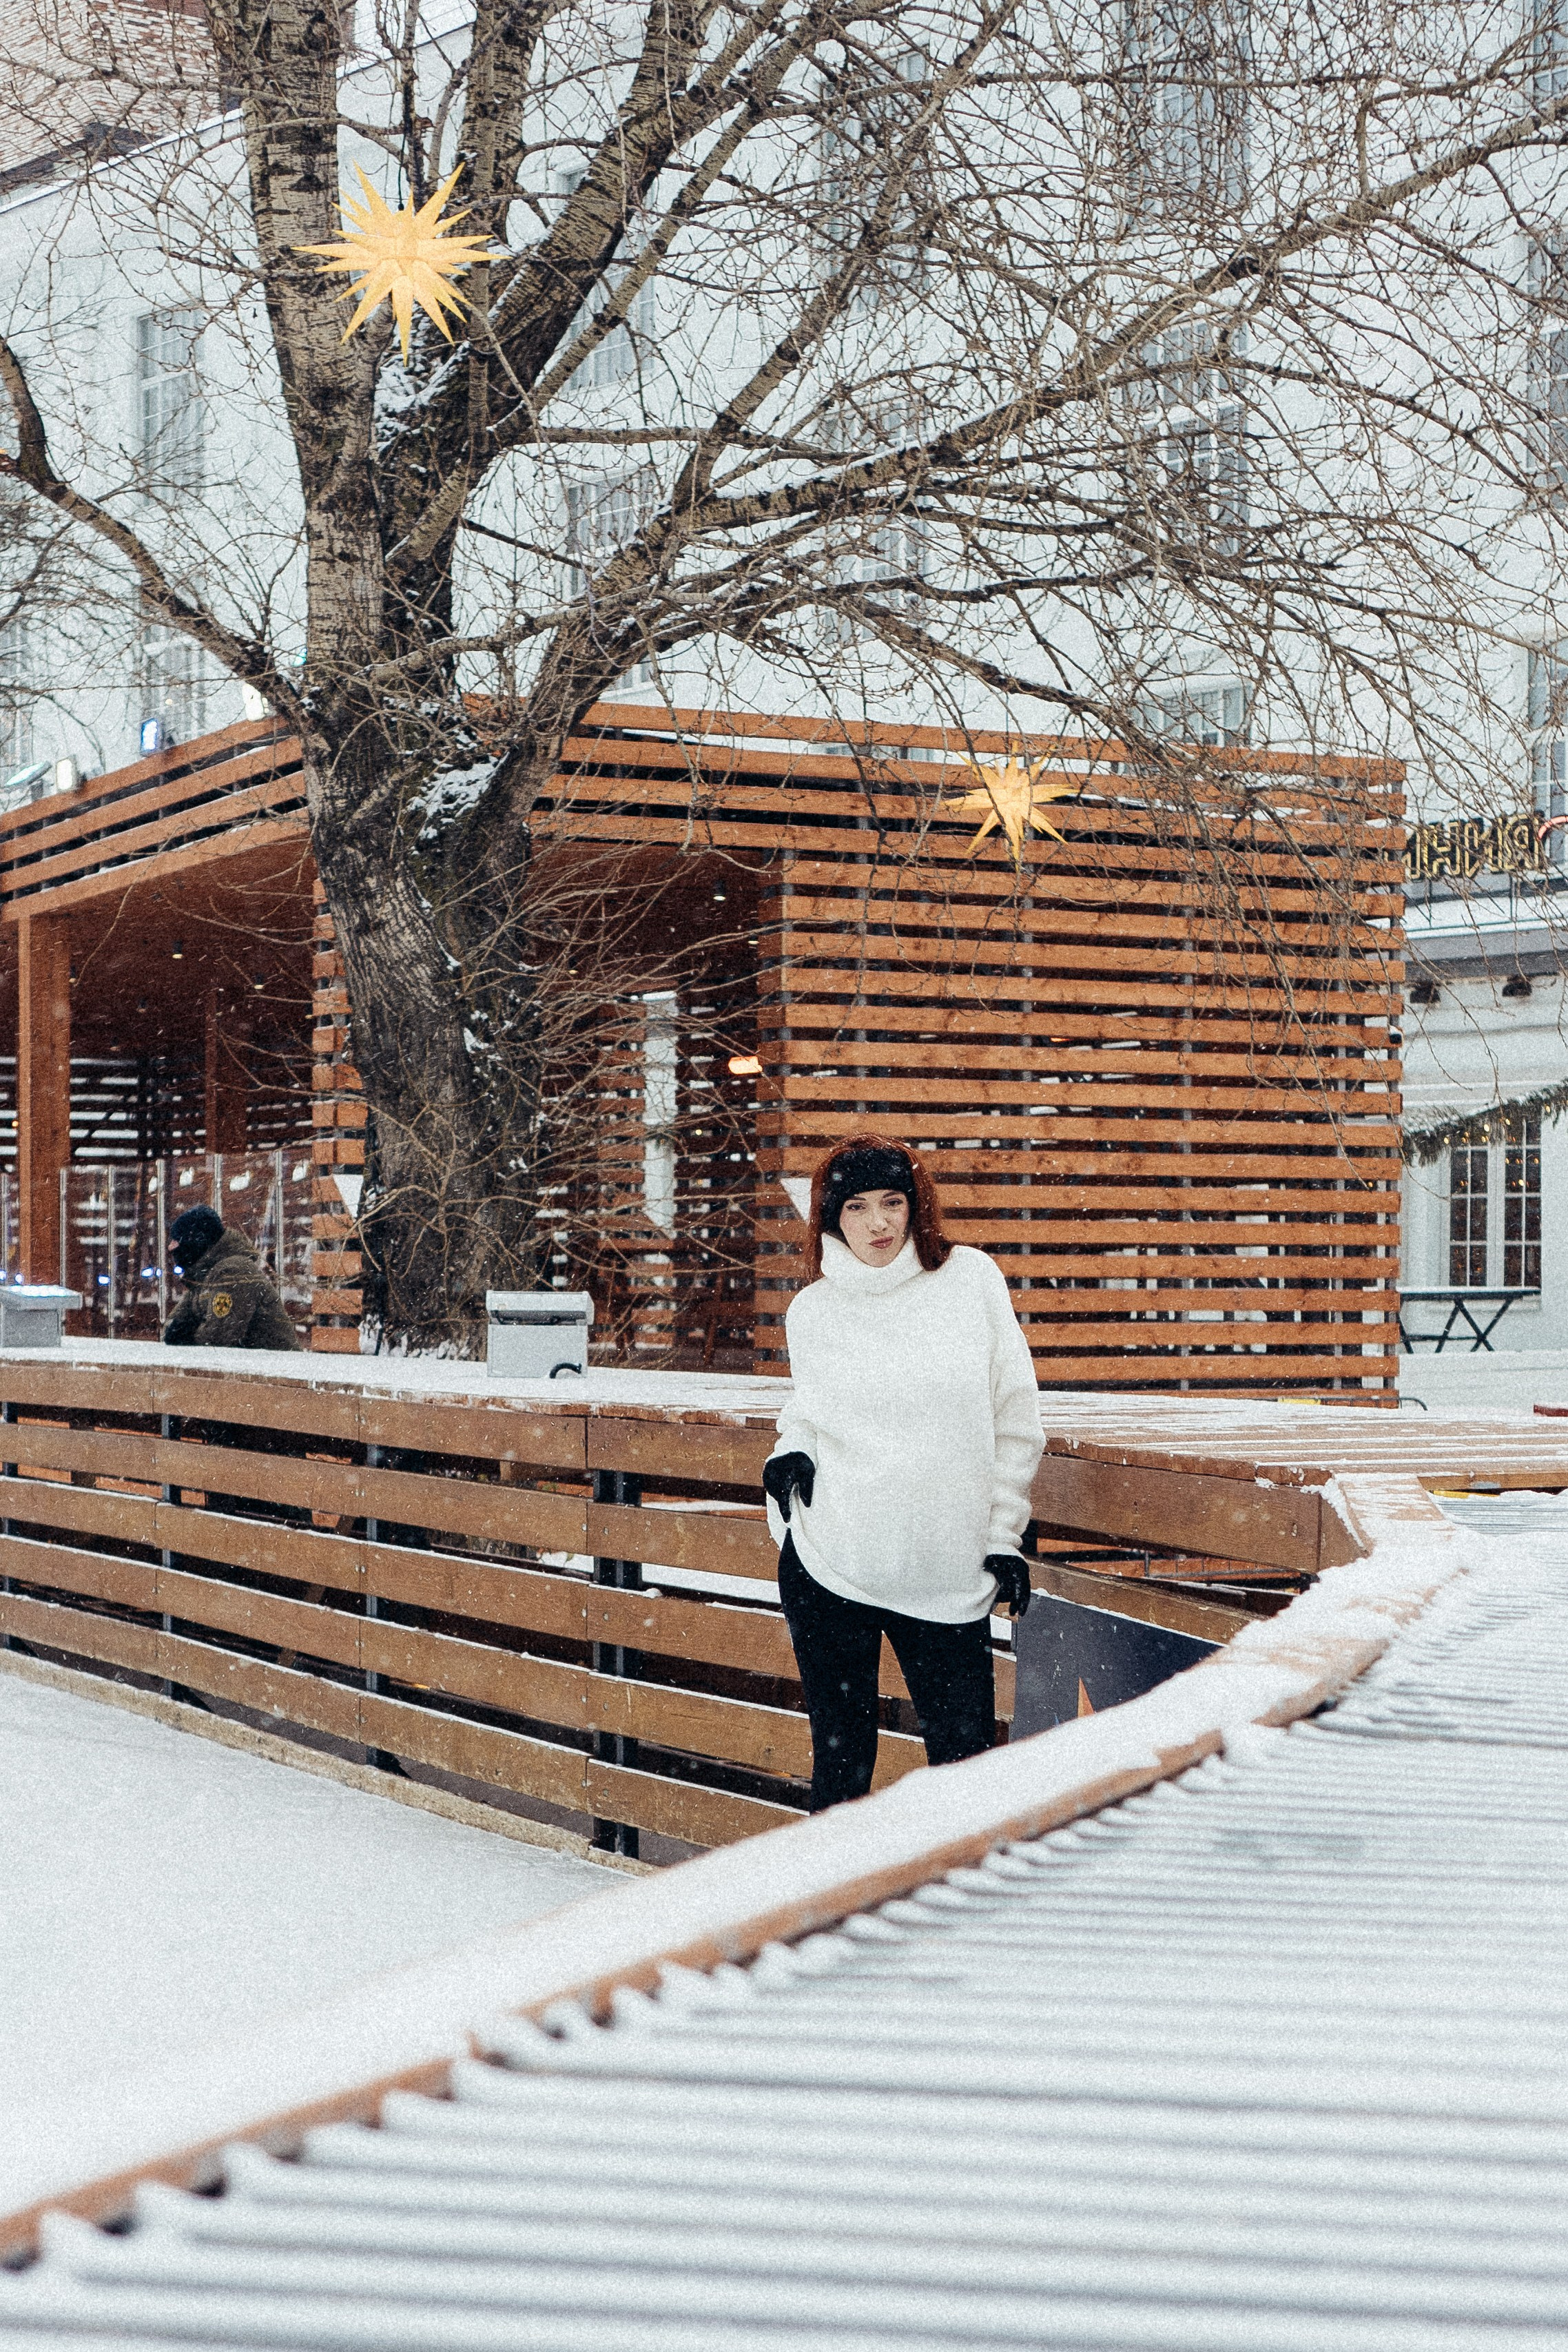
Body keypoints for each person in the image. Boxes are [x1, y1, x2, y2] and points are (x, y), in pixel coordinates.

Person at [762, 1135, 1044, 1813]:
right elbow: (811, 1404)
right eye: (856, 1207)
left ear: (917, 1205)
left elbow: (1014, 1419)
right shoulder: (814, 1313)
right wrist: (790, 1448)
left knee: (965, 1775)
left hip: (943, 1570)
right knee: (840, 1779)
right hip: (832, 1562)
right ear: (831, 1218)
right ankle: (830, 1915)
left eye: (892, 1202)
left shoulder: (967, 1283)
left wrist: (1002, 1535)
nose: (879, 1223)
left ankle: (961, 1919)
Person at [162, 1204, 302, 1351]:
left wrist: (188, 1336)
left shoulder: (234, 1271)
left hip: (276, 1369)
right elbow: (172, 1326)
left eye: (177, 1241)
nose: (171, 1248)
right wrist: (181, 1331)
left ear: (198, 1240)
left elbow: (219, 1338)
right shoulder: (203, 1275)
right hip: (252, 1367)